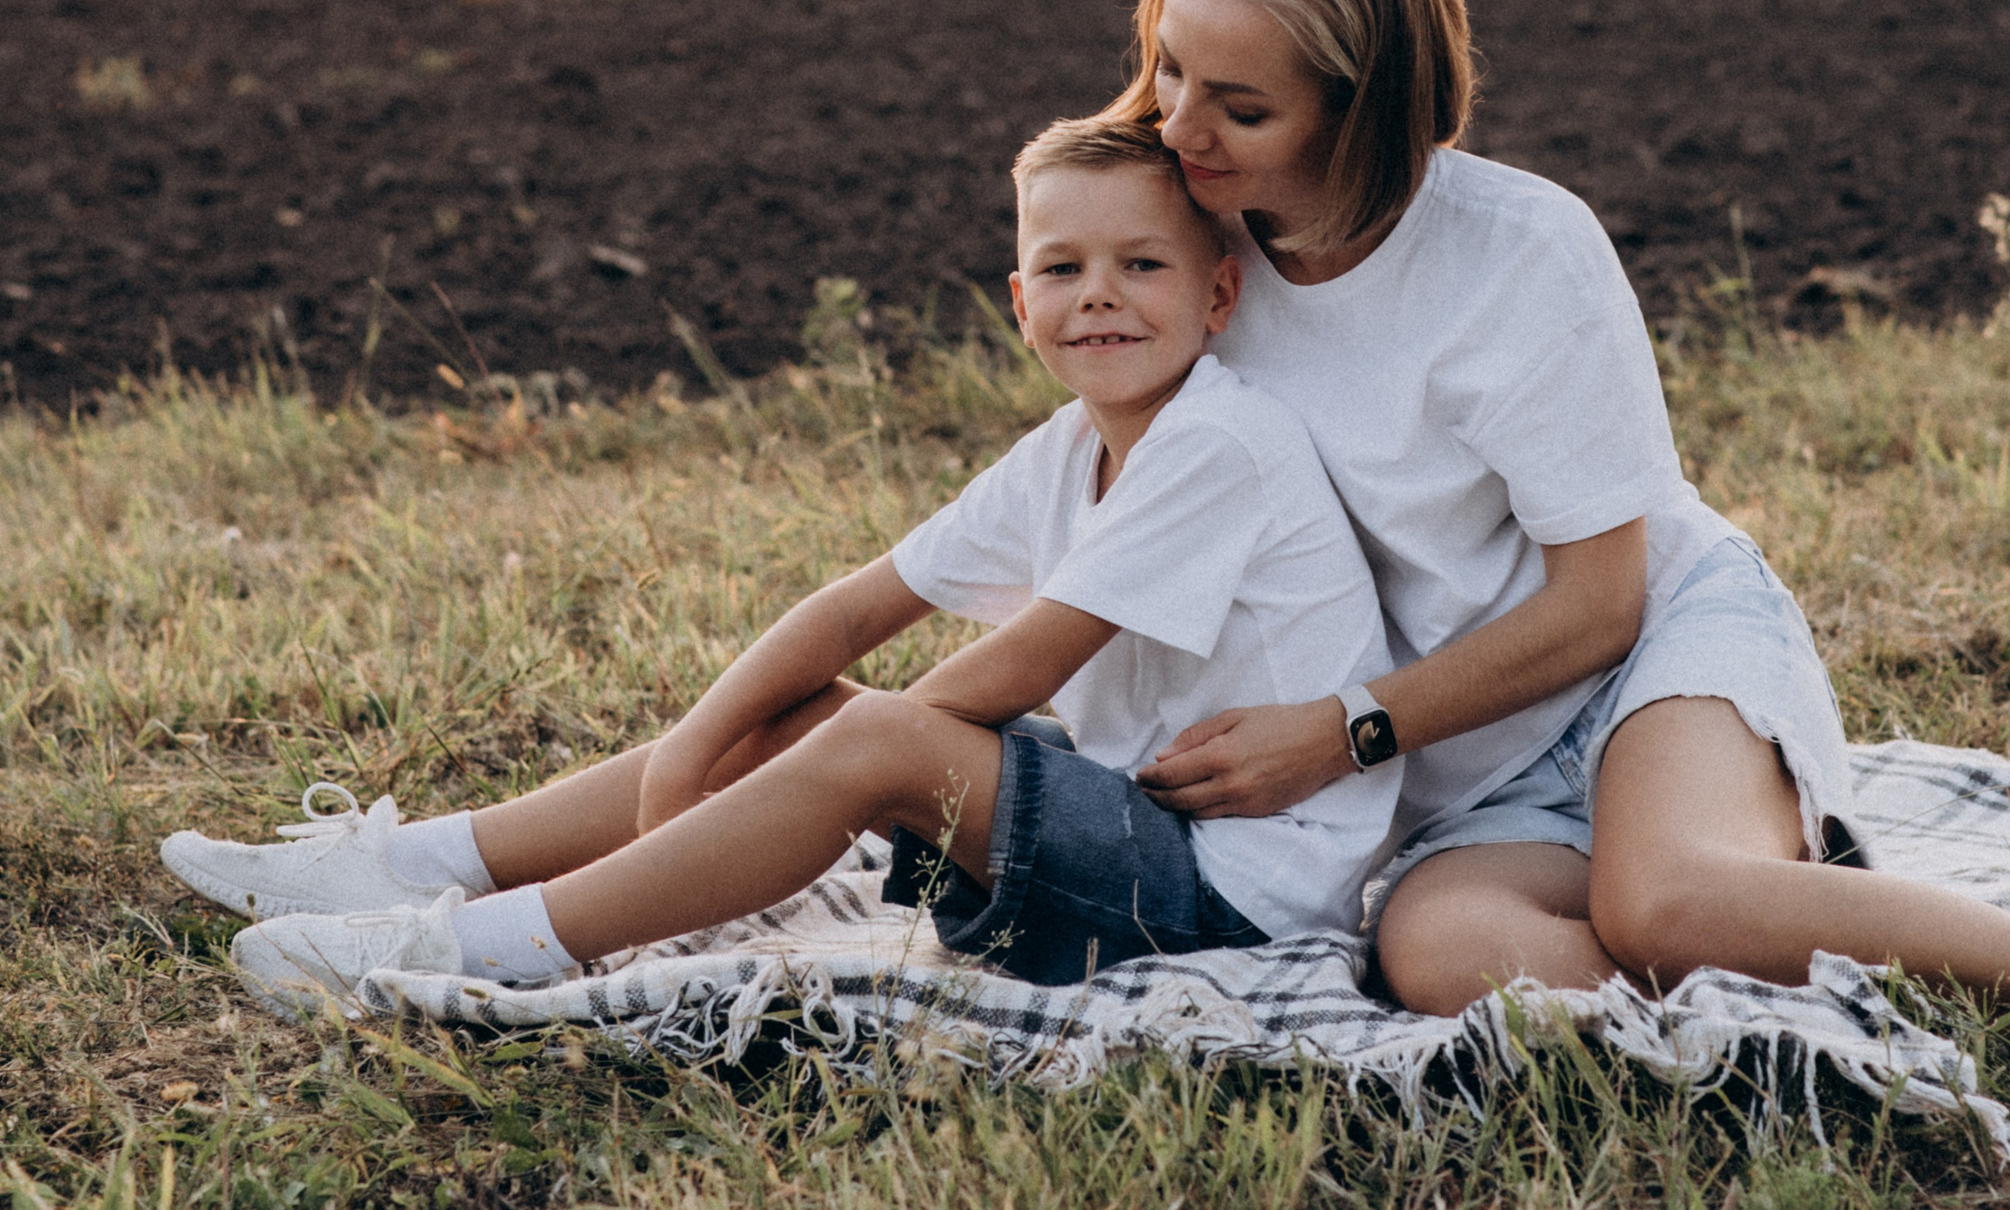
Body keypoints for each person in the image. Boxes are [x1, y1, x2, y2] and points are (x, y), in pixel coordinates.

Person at [1106, 0, 2010, 1055]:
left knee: (1658, 897)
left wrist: (1345, 731)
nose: (1179, 126)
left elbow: (1599, 601)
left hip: (1643, 660)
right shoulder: (1182, 263)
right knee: (1437, 951)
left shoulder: (1521, 254)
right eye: (1168, 72)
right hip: (1463, 771)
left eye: (1241, 105)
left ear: (1362, 111)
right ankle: (1988, 938)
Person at [172, 117, 1404, 1014]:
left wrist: (833, 758)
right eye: (1066, 270)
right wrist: (707, 747)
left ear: (1220, 292)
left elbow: (1036, 653)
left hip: (1226, 891)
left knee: (867, 736)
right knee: (818, 710)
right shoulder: (1069, 444)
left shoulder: (1219, 441)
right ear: (1019, 300)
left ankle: (479, 942)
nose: (1101, 298)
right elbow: (854, 605)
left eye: (1143, 265)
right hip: (1137, 830)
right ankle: (411, 860)